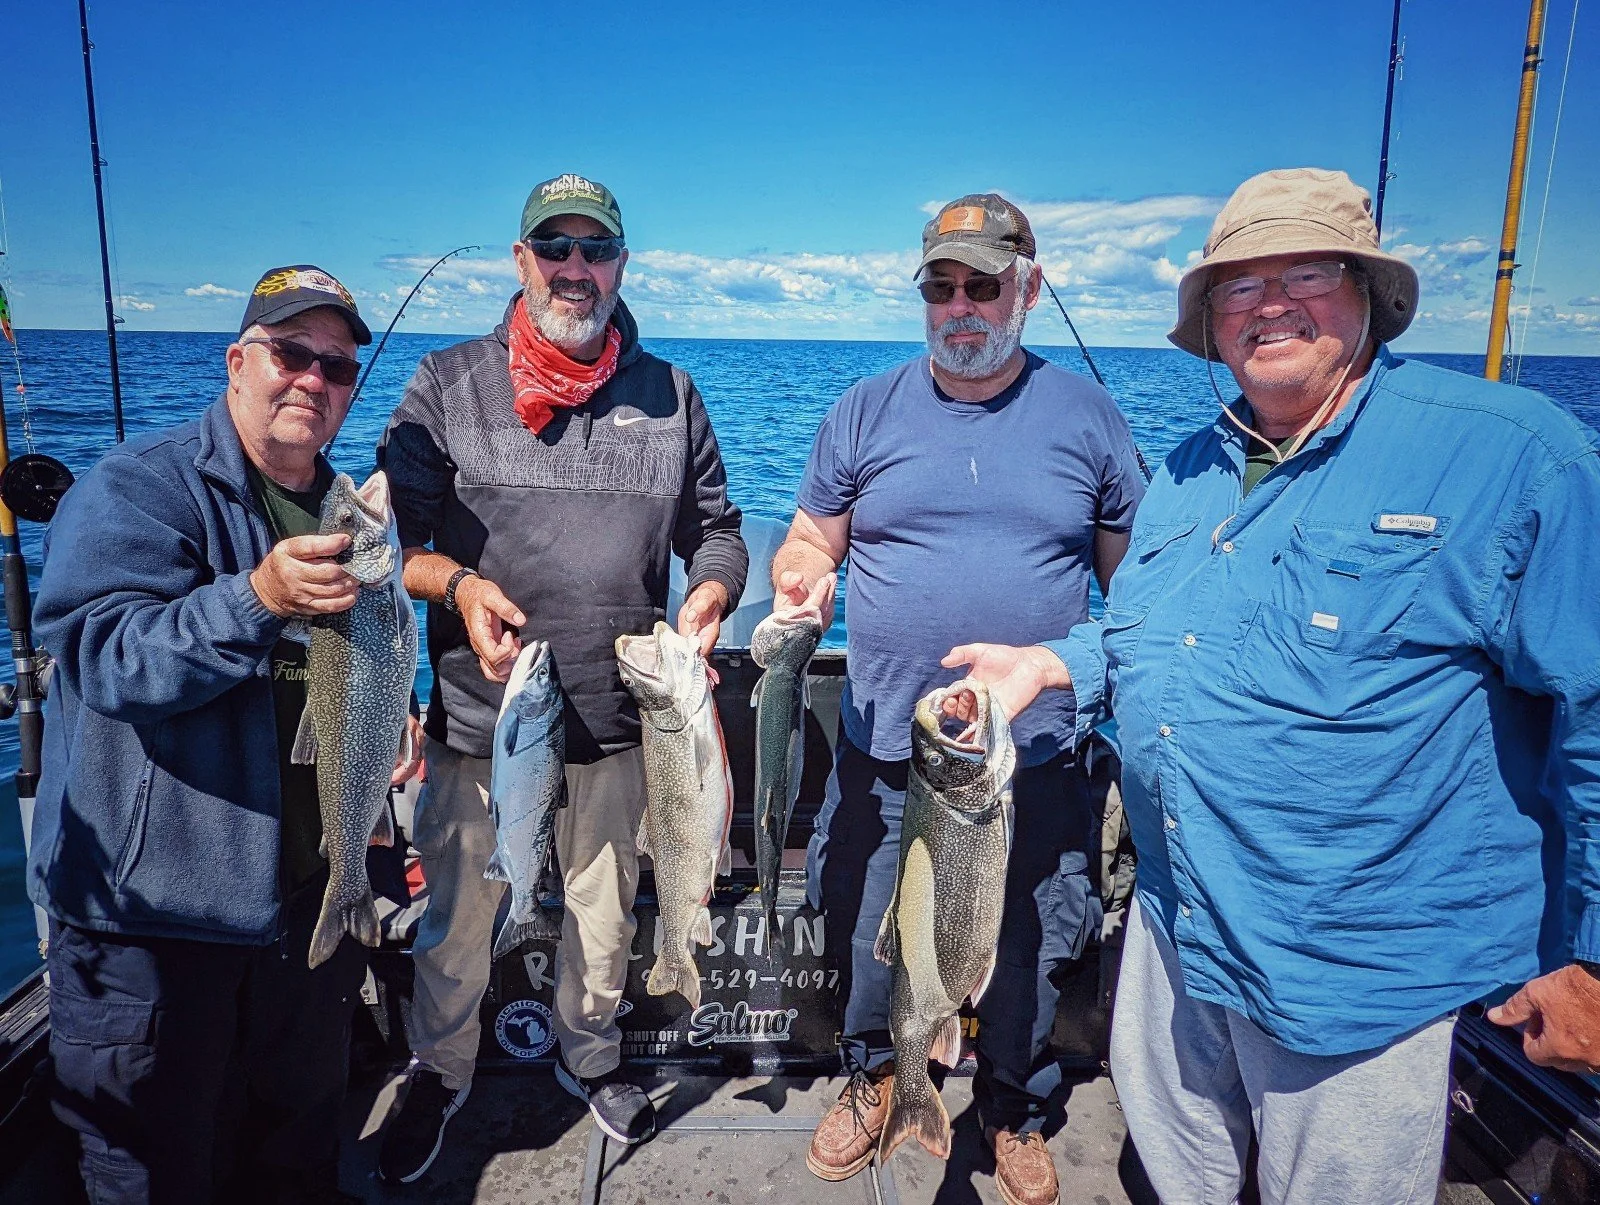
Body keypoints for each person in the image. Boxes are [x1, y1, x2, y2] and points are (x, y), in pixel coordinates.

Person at [942, 168, 1600, 1204]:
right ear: (1209, 320)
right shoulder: (1190, 468)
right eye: (1240, 287)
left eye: (1307, 273)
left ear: (1368, 294)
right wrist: (1053, 661)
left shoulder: (1516, 455)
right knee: (1178, 1178)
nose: (1273, 303)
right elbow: (1146, 631)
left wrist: (1590, 957)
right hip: (1174, 925)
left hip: (1356, 966)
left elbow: (1593, 717)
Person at [771, 194, 1145, 1205]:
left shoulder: (1088, 417)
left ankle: (1013, 1111)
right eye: (941, 287)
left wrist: (1061, 662)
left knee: (1029, 940)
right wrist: (802, 573)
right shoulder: (864, 407)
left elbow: (1140, 596)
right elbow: (812, 538)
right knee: (873, 928)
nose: (961, 306)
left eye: (984, 284)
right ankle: (878, 1075)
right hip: (894, 748)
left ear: (1028, 285)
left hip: (1037, 760)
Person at [377, 173, 748, 1180]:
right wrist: (457, 586)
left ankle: (593, 1053)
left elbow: (715, 531)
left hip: (627, 721)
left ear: (621, 264)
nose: (575, 268)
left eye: (596, 249)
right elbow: (385, 541)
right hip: (479, 720)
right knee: (456, 919)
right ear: (520, 258)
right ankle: (438, 1069)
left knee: (602, 913)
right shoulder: (446, 384)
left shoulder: (669, 393)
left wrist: (710, 594)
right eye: (556, 247)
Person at [30, 267, 422, 1204]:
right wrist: (257, 598)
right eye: (292, 354)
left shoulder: (340, 505)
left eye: (337, 366)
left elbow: (355, 660)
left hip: (297, 911)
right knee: (155, 1177)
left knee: (292, 1164)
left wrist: (389, 705)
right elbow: (101, 658)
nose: (314, 381)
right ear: (238, 360)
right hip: (153, 931)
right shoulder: (139, 487)